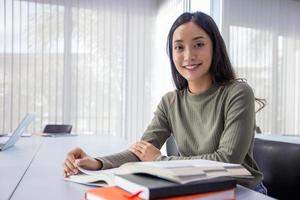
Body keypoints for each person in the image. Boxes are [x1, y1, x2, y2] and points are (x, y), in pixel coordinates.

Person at [63, 11, 267, 194]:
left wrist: (160, 161)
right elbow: (140, 152)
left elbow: (226, 161)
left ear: (215, 47)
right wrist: (97, 162)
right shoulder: (170, 102)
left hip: (242, 192)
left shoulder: (238, 93)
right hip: (198, 189)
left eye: (199, 44)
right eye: (179, 47)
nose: (189, 56)